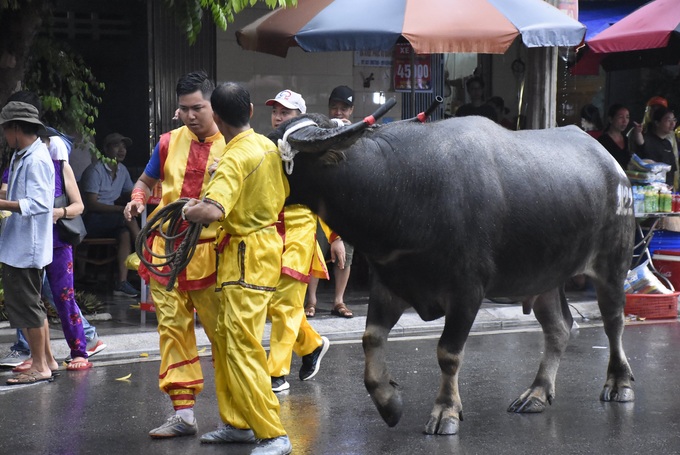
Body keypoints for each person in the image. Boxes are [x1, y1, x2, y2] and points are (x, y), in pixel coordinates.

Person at [183, 82, 292, 455]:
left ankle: (272, 432)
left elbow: (212, 210)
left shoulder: (234, 157)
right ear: (249, 109)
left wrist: (189, 209)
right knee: (228, 343)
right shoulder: (265, 145)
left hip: (246, 258)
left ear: (215, 115)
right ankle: (238, 423)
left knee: (242, 346)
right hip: (254, 252)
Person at [124, 71, 223, 439]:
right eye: (184, 109)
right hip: (166, 254)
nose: (190, 115)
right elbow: (145, 182)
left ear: (214, 105)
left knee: (223, 335)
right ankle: (183, 414)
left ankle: (238, 415)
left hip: (214, 255)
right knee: (172, 333)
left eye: (198, 107)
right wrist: (136, 200)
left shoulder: (236, 144)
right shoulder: (167, 142)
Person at [264, 89, 332, 393]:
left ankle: (275, 373)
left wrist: (337, 236)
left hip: (301, 228)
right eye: (276, 111)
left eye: (286, 112)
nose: (279, 116)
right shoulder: (266, 145)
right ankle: (310, 344)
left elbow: (328, 198)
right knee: (269, 300)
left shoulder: (315, 153)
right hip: (269, 229)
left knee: (286, 302)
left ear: (301, 117)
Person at [0, 99, 56, 385]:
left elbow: (39, 203)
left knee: (29, 306)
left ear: (16, 129)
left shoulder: (35, 158)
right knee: (34, 303)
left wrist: (3, 204)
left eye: (6, 130)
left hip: (27, 246)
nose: (5, 136)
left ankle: (40, 367)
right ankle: (45, 360)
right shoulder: (23, 153)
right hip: (21, 244)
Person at [305, 85, 356, 319]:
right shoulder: (320, 133)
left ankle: (339, 301)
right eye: (334, 107)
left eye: (343, 108)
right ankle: (311, 301)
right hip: (320, 204)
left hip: (346, 205)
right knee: (315, 251)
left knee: (345, 255)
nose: (338, 112)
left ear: (351, 110)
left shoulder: (357, 135)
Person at [80, 132, 139, 297]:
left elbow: (131, 192)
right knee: (127, 217)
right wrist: (122, 209)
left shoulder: (122, 170)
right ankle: (145, 252)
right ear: (105, 149)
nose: (122, 150)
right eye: (116, 145)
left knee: (125, 233)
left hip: (112, 220)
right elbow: (91, 204)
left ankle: (121, 283)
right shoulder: (95, 171)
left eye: (124, 146)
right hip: (91, 220)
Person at [638, 106, 678, 188]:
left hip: (666, 191)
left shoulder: (668, 144)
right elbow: (640, 143)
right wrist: (637, 132)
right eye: (668, 120)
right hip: (650, 190)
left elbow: (672, 169)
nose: (673, 123)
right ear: (657, 122)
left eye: (674, 120)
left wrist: (671, 186)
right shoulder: (647, 139)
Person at [597, 104, 642, 170]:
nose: (625, 121)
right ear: (610, 119)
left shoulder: (627, 140)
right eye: (621, 117)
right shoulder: (602, 141)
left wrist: (638, 133)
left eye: (627, 117)